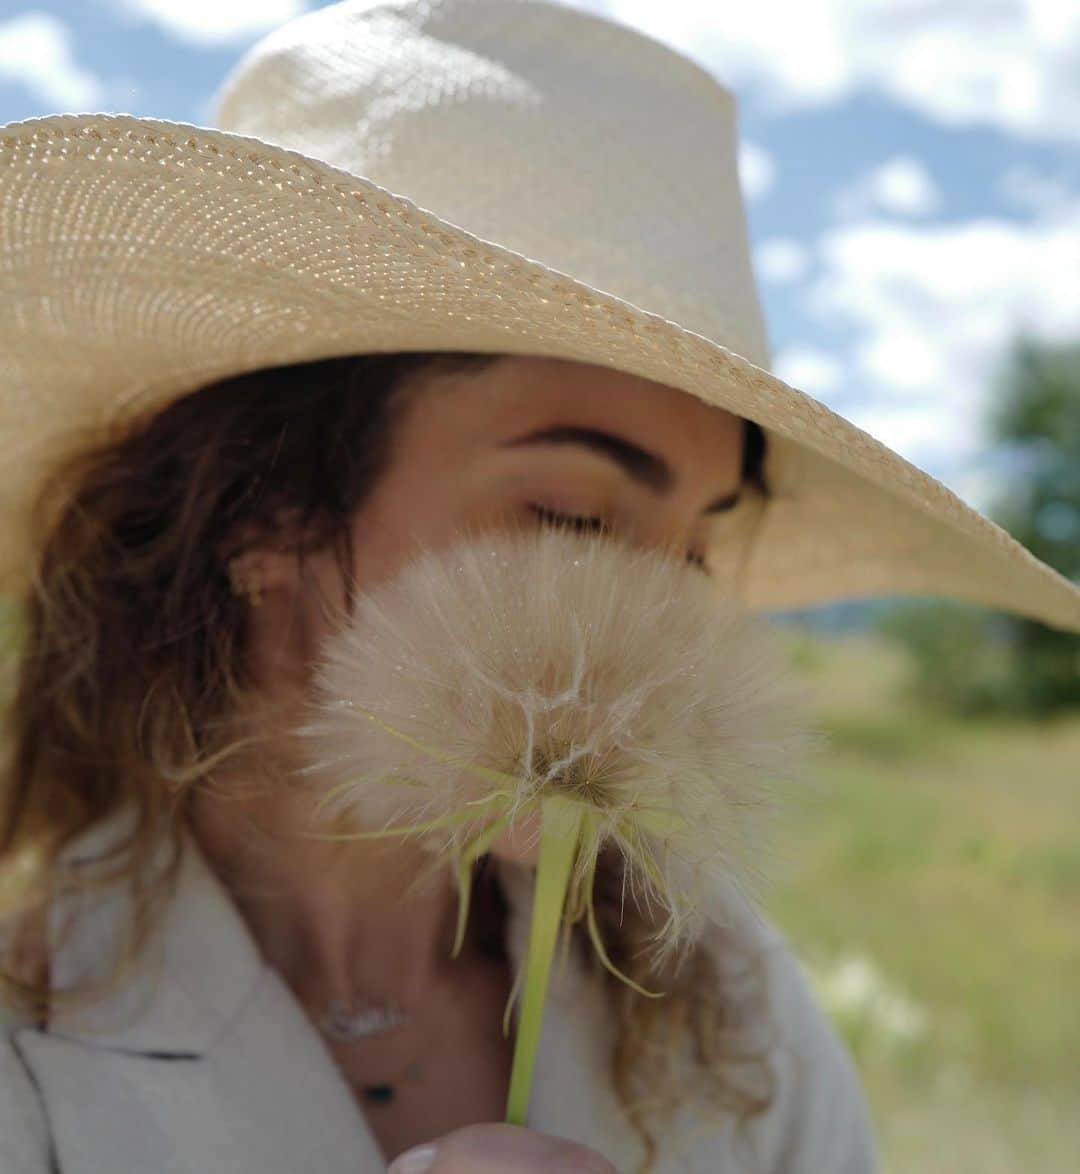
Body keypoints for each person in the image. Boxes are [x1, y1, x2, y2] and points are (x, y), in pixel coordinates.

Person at [1, 3, 1077, 1174]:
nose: (667, 626)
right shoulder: (26, 1036)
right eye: (572, 516)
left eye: (696, 552)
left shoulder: (733, 1009)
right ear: (268, 514)